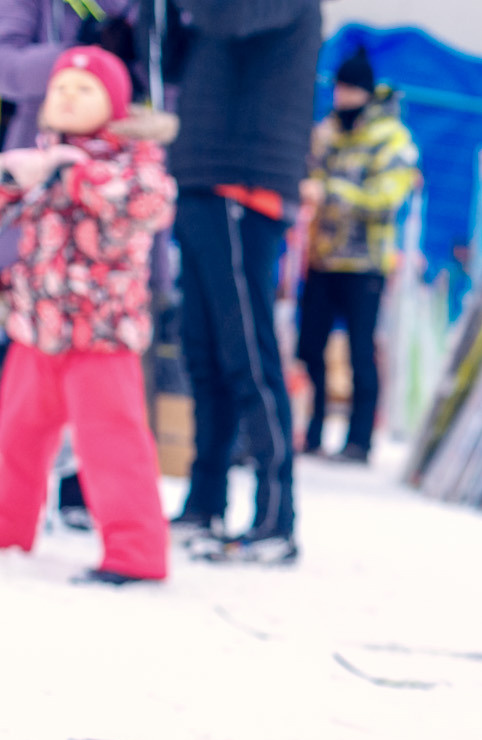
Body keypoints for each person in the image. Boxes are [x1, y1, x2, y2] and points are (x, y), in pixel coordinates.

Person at [0, 46, 175, 583]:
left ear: (114, 107)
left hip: (102, 338)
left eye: (83, 90)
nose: (67, 96)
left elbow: (149, 204)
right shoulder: (38, 156)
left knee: (113, 446)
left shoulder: (134, 162)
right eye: (60, 88)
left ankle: (136, 552)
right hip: (36, 330)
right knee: (14, 438)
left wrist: (77, 174)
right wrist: (5, 176)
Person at [168, 0, 320, 564]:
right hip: (200, 173)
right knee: (203, 354)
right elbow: (175, 48)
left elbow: (227, 18)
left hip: (247, 180)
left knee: (248, 356)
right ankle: (205, 499)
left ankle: (276, 516)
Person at [296, 45, 417, 464]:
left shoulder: (392, 139)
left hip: (366, 262)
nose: (341, 98)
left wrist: (330, 192)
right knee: (309, 347)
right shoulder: (327, 131)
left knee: (360, 351)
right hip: (322, 257)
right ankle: (311, 431)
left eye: (350, 90)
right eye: (338, 89)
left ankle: (359, 441)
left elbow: (386, 198)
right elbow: (307, 168)